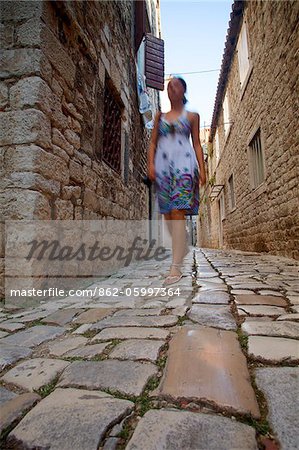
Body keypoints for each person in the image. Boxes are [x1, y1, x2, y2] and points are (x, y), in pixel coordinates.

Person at [147, 76, 206, 285]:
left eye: (176, 86)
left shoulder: (192, 116)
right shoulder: (159, 117)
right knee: (168, 216)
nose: (171, 89)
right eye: (168, 86)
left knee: (177, 212)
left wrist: (203, 167)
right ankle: (181, 247)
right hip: (163, 170)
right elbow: (153, 143)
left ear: (184, 90)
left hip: (184, 168)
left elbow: (197, 143)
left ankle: (175, 267)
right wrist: (151, 165)